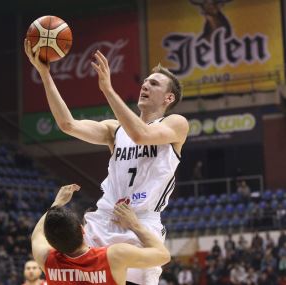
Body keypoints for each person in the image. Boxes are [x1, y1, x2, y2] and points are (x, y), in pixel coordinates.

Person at [25, 38, 188, 284]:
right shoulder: (115, 130)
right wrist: (45, 74)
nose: (145, 85)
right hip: (103, 220)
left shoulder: (176, 124)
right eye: (144, 82)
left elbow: (141, 135)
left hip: (140, 223)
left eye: (153, 84)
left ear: (168, 98)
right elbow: (67, 124)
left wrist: (108, 90)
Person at [31, 184, 171, 285]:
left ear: (51, 242)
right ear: (82, 230)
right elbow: (163, 256)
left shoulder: (47, 260)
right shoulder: (114, 255)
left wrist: (56, 204)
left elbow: (37, 235)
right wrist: (135, 225)